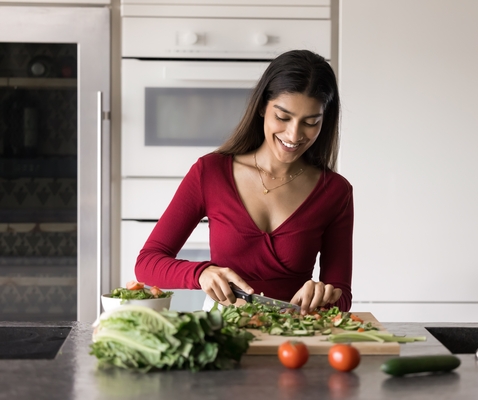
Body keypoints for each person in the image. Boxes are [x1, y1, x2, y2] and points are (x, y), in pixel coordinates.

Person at [135, 49, 354, 314]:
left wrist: (323, 294)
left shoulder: (335, 192)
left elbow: (342, 297)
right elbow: (147, 263)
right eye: (283, 117)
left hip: (296, 335)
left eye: (310, 122)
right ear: (263, 106)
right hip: (223, 331)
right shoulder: (211, 172)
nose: (294, 134)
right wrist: (201, 273)